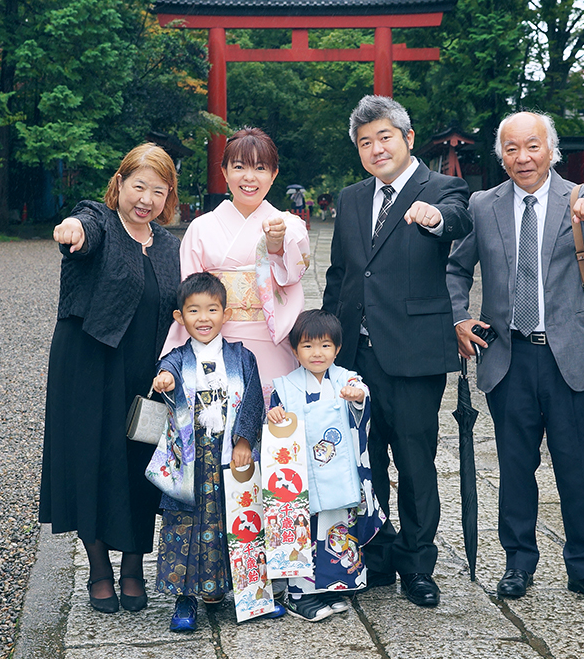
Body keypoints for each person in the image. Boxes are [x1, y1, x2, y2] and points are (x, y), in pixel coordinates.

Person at [446, 111, 584, 608]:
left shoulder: (579, 195)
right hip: (508, 356)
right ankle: (518, 563)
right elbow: (456, 268)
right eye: (511, 149)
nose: (522, 158)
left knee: (576, 470)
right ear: (500, 156)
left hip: (568, 356)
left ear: (551, 151)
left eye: (532, 147)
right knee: (514, 467)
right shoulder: (484, 205)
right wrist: (458, 317)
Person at [322, 95, 472, 607]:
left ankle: (417, 563)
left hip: (413, 354)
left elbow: (456, 219)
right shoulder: (351, 198)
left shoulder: (442, 188)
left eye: (385, 136)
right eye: (365, 142)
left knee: (415, 461)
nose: (375, 147)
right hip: (356, 356)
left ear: (408, 139)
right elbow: (342, 273)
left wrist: (431, 217)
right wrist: (327, 343)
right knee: (365, 462)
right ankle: (378, 556)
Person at [40, 143, 181, 614]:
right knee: (93, 462)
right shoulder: (99, 219)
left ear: (168, 198)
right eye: (138, 186)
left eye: (158, 192)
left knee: (143, 467)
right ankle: (99, 569)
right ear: (119, 184)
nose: (146, 199)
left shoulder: (170, 246)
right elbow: (84, 227)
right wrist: (72, 229)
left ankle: (134, 567)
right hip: (89, 365)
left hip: (147, 377)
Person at [151, 272, 265, 632]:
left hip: (228, 451)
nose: (203, 318)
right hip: (190, 455)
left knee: (230, 519)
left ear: (225, 315)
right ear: (179, 317)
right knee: (186, 524)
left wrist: (245, 440)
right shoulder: (176, 357)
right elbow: (165, 372)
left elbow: (253, 399)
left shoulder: (240, 356)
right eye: (194, 310)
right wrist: (164, 379)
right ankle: (185, 598)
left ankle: (230, 591)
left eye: (212, 309)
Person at [164, 128, 310, 405]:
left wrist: (277, 244)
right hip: (215, 341)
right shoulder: (201, 227)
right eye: (239, 166)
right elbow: (188, 294)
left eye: (260, 168)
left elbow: (295, 267)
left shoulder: (287, 224)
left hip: (272, 340)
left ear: (274, 174)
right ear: (224, 170)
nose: (249, 177)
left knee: (274, 428)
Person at [266, 310, 384, 622]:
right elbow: (276, 418)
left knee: (337, 528)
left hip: (339, 474)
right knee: (304, 530)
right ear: (294, 350)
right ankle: (299, 594)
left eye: (325, 346)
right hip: (303, 476)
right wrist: (275, 415)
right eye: (307, 346)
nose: (317, 353)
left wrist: (358, 396)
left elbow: (362, 398)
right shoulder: (285, 385)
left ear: (338, 348)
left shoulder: (346, 378)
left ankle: (334, 586)